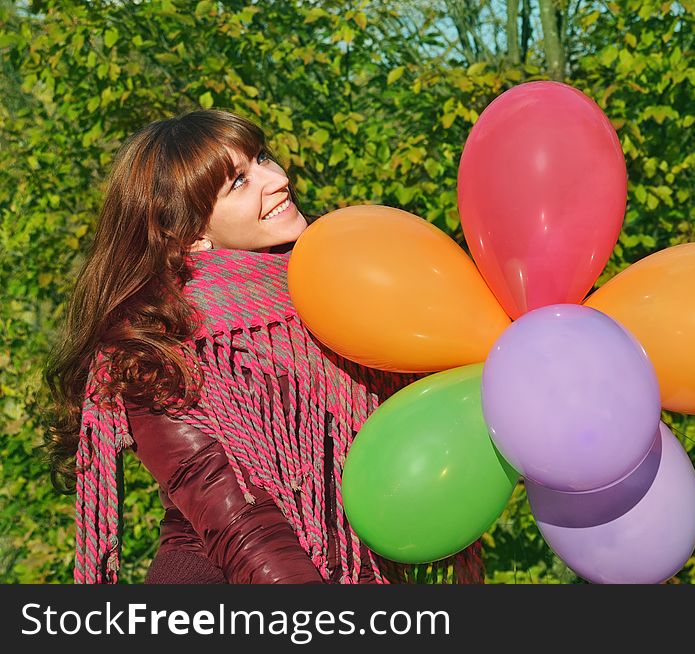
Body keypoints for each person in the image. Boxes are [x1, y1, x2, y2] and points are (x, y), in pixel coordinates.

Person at [44, 109, 483, 584]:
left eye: (263, 158)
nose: (276, 180)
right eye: (238, 182)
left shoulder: (331, 288)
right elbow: (242, 524)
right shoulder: (158, 345)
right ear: (191, 237)